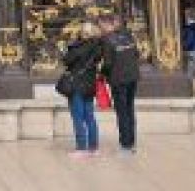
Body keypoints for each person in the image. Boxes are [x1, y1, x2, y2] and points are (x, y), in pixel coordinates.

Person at [58, 21, 102, 159]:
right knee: (90, 117)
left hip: (77, 85)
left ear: (82, 33)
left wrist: (69, 47)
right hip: (90, 85)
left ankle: (82, 147)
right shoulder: (98, 47)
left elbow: (66, 60)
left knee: (78, 117)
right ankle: (94, 148)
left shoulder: (77, 47)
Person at [100, 14, 141, 154]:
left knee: (122, 112)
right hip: (133, 77)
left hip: (118, 80)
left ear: (107, 24)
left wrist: (102, 74)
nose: (101, 29)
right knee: (130, 109)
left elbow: (107, 63)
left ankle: (125, 145)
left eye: (101, 26)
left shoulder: (107, 40)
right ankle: (132, 141)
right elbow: (137, 54)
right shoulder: (128, 36)